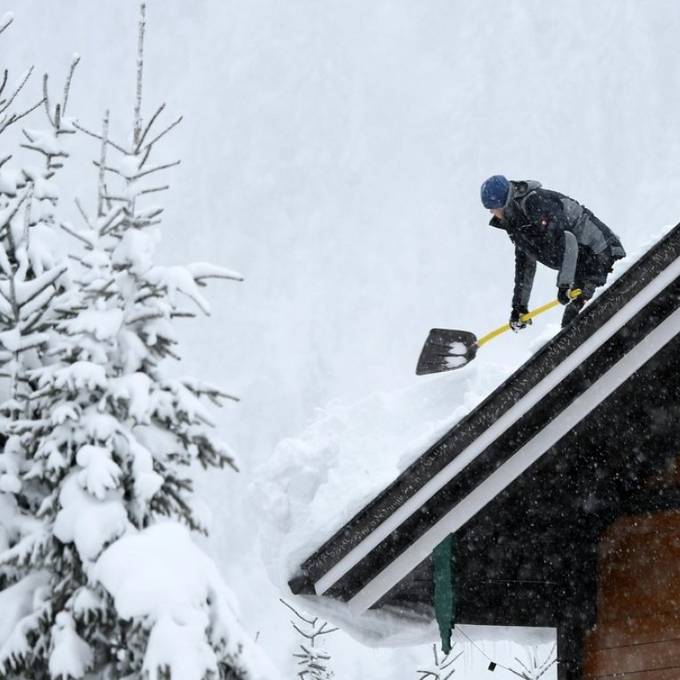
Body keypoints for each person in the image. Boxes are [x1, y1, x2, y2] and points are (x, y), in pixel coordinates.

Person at [480, 175, 625, 329]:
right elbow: (525, 265)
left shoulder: (536, 203)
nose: (491, 212)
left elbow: (568, 240)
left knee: (581, 319)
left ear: (506, 203)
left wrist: (564, 284)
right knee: (573, 322)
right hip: (583, 267)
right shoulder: (517, 225)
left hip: (603, 255)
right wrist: (519, 307)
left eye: (493, 208)